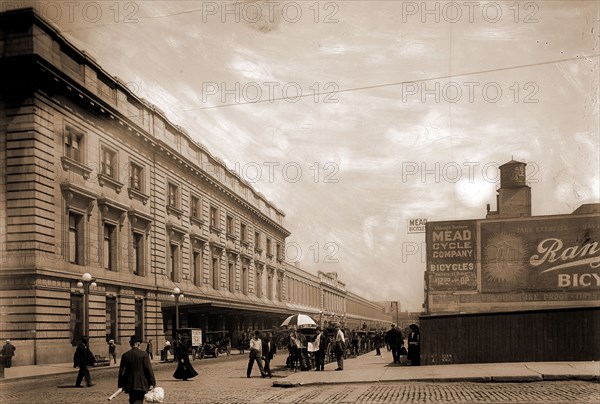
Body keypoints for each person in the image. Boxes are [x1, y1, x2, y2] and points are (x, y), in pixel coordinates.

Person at [118, 335, 156, 404]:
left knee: (132, 400)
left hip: (130, 384)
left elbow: (122, 371)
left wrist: (121, 384)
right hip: (141, 383)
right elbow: (148, 369)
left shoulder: (125, 355)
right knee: (139, 400)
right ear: (137, 344)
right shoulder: (144, 354)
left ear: (131, 344)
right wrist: (152, 382)